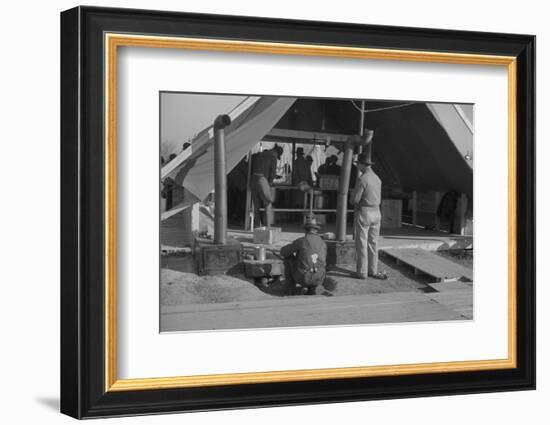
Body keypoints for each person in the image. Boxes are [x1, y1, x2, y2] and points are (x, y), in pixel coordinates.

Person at [350, 152, 387, 280]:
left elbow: (355, 200)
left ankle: (362, 272)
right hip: (377, 212)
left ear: (361, 165)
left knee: (361, 243)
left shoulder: (362, 179)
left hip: (364, 212)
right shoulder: (378, 178)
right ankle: (373, 270)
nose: (357, 167)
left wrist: (352, 194)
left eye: (358, 165)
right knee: (373, 243)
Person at [280, 215, 327, 295]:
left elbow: (283, 252)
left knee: (288, 259)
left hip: (303, 277)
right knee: (314, 264)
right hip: (319, 278)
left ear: (305, 230)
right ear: (316, 230)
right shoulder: (323, 243)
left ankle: (290, 290)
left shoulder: (302, 241)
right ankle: (311, 290)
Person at [251, 145, 283, 227]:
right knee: (268, 203)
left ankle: (257, 227)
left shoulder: (261, 154)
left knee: (256, 206)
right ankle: (268, 228)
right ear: (277, 153)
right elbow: (272, 174)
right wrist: (270, 182)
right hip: (262, 179)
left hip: (253, 180)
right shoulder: (273, 156)